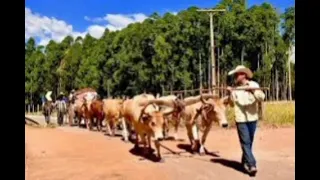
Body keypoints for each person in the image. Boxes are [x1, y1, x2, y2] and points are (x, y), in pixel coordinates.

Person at [226, 65, 265, 176]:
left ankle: (244, 162)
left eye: (237, 74)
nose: (236, 77)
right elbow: (232, 104)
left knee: (249, 143)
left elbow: (262, 97)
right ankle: (252, 164)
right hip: (240, 119)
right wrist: (230, 93)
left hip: (252, 118)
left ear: (243, 75)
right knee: (245, 142)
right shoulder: (235, 88)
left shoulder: (254, 85)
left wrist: (253, 91)